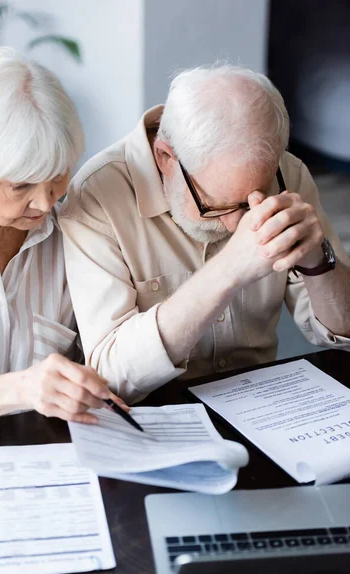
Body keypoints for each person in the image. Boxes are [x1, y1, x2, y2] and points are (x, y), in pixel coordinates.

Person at [60, 64, 350, 404]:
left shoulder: (286, 174)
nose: (236, 225)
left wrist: (319, 260)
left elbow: (341, 334)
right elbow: (109, 376)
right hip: (154, 413)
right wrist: (228, 270)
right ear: (165, 157)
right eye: (217, 206)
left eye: (253, 198)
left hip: (259, 403)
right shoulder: (98, 196)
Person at [0, 47, 127, 431]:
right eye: (22, 185)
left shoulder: (75, 232)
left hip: (49, 463)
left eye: (59, 176)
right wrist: (20, 389)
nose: (46, 201)